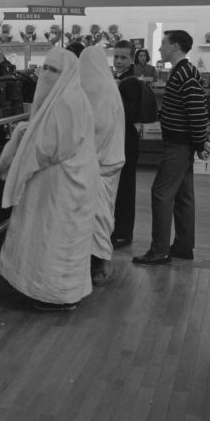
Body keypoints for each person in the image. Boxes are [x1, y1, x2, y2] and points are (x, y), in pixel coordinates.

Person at [0, 47, 99, 311]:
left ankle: (54, 295)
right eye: (46, 68)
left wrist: (25, 150)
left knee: (54, 239)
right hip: (65, 182)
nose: (46, 75)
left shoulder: (66, 101)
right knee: (52, 238)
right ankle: (52, 293)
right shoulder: (69, 96)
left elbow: (52, 147)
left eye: (54, 70)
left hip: (63, 185)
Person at [133, 30, 210, 266]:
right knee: (182, 196)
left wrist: (200, 142)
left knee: (160, 193)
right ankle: (182, 246)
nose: (159, 48)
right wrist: (199, 140)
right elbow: (192, 110)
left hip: (178, 144)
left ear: (175, 46)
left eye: (163, 44)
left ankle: (159, 250)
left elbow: (197, 111)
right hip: (181, 142)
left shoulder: (186, 73)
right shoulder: (183, 72)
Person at [79, 46, 125, 285]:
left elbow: (98, 128)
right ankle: (98, 260)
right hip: (111, 159)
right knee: (104, 212)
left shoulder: (98, 90)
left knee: (98, 214)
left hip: (100, 162)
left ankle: (102, 263)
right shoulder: (110, 87)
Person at [111, 40, 141, 249]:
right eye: (116, 57)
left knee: (125, 187)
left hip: (126, 140)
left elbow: (129, 113)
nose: (119, 61)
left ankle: (123, 232)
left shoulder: (130, 82)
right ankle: (118, 230)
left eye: (123, 57)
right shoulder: (117, 79)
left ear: (131, 59)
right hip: (119, 138)